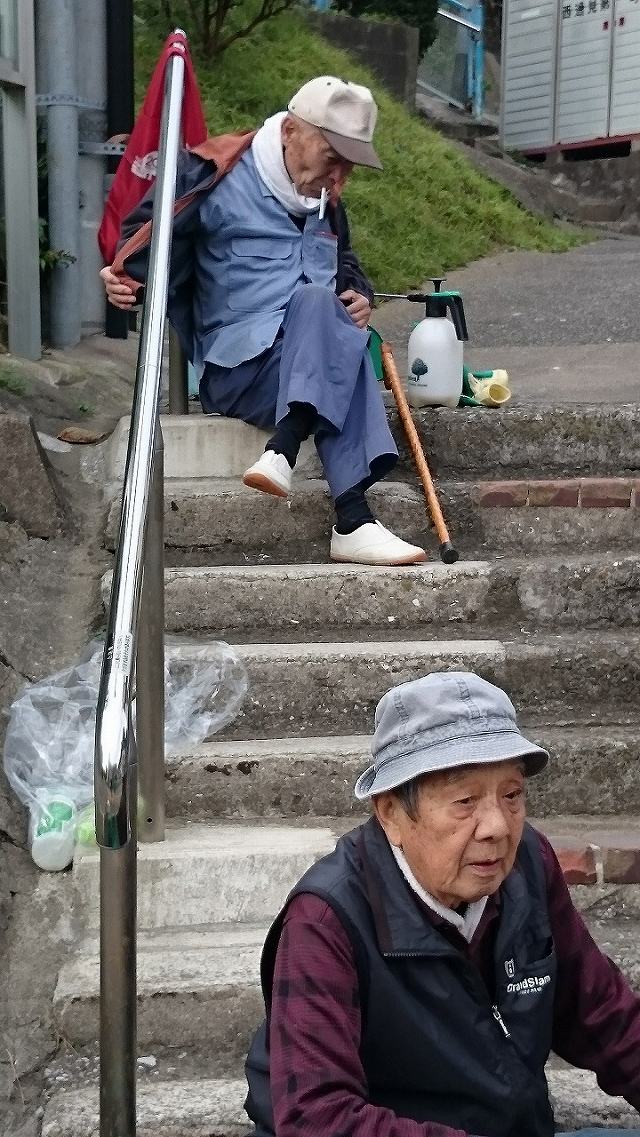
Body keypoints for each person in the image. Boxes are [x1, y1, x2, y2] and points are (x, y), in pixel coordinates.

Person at [244, 671, 640, 1137]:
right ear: (391, 813)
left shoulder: (528, 864)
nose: (497, 826)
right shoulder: (327, 919)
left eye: (512, 795)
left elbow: (602, 1015)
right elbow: (317, 1118)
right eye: (465, 800)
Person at [101, 76, 426, 567]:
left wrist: (359, 294)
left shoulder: (325, 198)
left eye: (349, 165)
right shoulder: (212, 173)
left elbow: (345, 264)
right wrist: (126, 279)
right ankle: (351, 519)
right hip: (239, 372)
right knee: (329, 324)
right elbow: (144, 241)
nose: (339, 177)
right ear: (291, 131)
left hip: (307, 366)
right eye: (332, 158)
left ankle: (287, 454)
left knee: (325, 310)